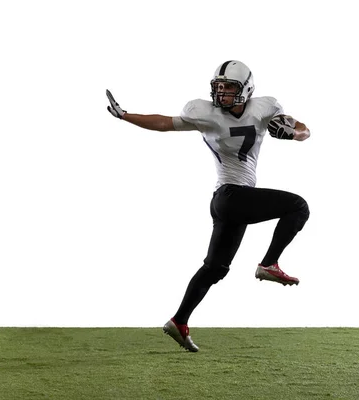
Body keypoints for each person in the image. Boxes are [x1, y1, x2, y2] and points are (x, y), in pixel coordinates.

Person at [106, 60, 310, 352]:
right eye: (219, 87)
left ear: (246, 90)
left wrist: (295, 133)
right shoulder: (206, 114)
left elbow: (303, 128)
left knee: (216, 268)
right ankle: (269, 264)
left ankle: (179, 321)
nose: (222, 93)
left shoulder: (264, 107)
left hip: (230, 202)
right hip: (230, 196)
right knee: (298, 207)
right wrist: (125, 115)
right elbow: (164, 123)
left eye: (229, 87)